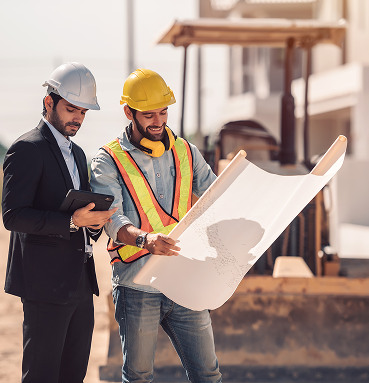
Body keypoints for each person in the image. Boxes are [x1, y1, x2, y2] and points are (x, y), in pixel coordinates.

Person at [90, 68, 221, 383]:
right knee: (139, 377)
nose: (159, 121)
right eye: (148, 114)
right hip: (137, 285)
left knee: (208, 375)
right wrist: (145, 239)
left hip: (184, 279)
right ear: (128, 112)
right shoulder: (108, 160)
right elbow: (112, 220)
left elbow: (217, 196)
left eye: (163, 112)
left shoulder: (187, 152)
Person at [1, 62, 116, 383]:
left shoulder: (78, 153)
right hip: (43, 286)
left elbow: (80, 216)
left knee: (73, 375)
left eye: (83, 111)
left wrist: (93, 223)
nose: (77, 118)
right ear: (49, 102)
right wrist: (70, 221)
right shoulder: (27, 149)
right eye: (71, 109)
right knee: (42, 376)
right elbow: (13, 215)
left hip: (80, 283)